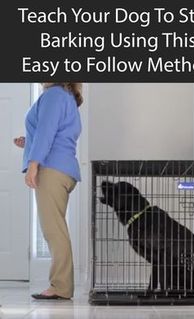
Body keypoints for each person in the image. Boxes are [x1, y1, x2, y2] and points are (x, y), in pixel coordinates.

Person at [13, 83, 83, 300]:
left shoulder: (53, 95)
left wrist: (33, 164)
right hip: (64, 168)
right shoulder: (67, 97)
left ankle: (60, 287)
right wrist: (29, 142)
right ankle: (61, 285)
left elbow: (46, 132)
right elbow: (55, 134)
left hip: (51, 169)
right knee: (56, 228)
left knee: (54, 230)